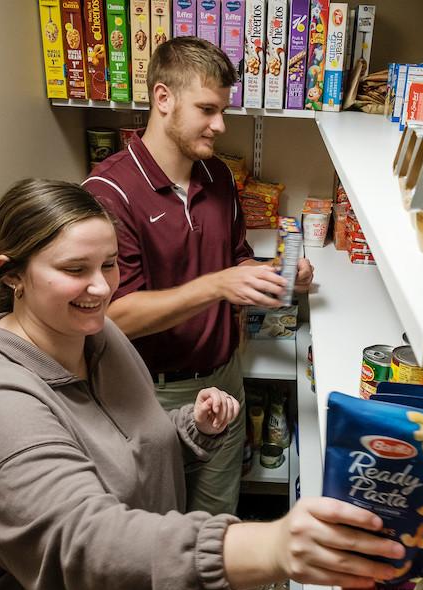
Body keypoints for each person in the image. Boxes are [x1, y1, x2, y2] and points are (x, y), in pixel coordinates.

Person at [0, 179, 402, 590]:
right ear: (12, 274)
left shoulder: (98, 336)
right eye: (75, 270)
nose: (101, 288)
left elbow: (124, 453)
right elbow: (85, 545)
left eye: (109, 264)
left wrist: (189, 426)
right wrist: (276, 545)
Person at [82, 36, 314, 521]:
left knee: (215, 520)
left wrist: (274, 274)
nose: (221, 125)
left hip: (223, 377)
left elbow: (236, 259)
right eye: (207, 109)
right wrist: (218, 285)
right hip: (148, 392)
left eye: (223, 110)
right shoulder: (107, 194)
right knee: (154, 525)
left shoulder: (218, 178)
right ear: (163, 98)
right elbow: (113, 315)